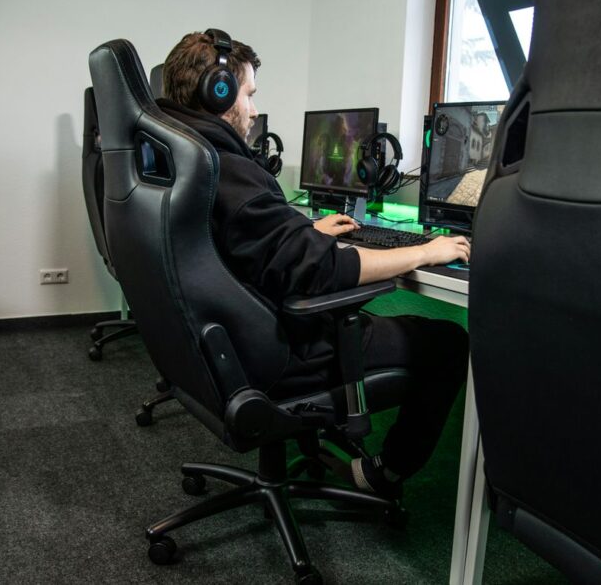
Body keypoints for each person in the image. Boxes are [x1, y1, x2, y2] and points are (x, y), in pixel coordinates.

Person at [158, 30, 470, 499]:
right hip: (279, 350)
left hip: (222, 340)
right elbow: (325, 271)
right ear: (217, 91)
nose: (254, 109)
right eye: (248, 93)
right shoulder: (226, 167)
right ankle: (385, 473)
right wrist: (427, 252)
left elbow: (246, 243)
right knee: (449, 341)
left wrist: (303, 233)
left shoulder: (185, 159)